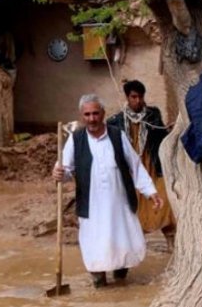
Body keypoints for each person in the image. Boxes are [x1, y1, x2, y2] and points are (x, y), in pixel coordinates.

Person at [53, 94, 162, 288]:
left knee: (122, 244)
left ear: (103, 113)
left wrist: (150, 191)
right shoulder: (75, 140)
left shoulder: (117, 135)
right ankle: (99, 282)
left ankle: (121, 279)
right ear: (82, 116)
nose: (92, 119)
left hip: (119, 203)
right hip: (91, 205)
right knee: (95, 245)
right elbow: (66, 170)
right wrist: (59, 173)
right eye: (87, 114)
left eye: (95, 113)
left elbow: (135, 166)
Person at [107, 80, 176, 250]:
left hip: (152, 165)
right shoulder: (116, 121)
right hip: (130, 170)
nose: (137, 100)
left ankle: (171, 243)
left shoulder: (152, 115)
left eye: (140, 96)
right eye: (133, 97)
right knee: (131, 207)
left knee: (164, 200)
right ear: (127, 97)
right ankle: (133, 247)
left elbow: (161, 137)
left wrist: (171, 131)